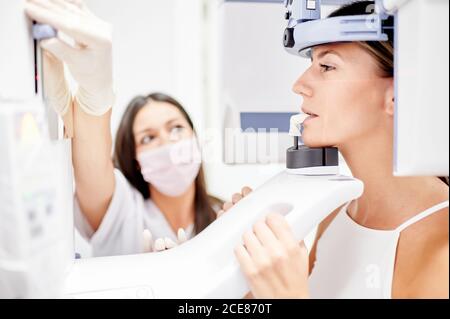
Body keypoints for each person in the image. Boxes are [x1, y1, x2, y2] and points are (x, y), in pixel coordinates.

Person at [228, 1, 449, 299]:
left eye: (327, 66)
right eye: (311, 64)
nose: (299, 85)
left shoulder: (442, 248)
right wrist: (244, 270)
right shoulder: (337, 213)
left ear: (398, 95)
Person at [25, 0, 222, 257]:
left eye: (175, 129)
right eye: (148, 137)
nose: (166, 142)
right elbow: (92, 158)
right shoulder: (123, 210)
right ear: (136, 159)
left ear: (195, 140)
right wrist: (95, 92)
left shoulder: (224, 216)